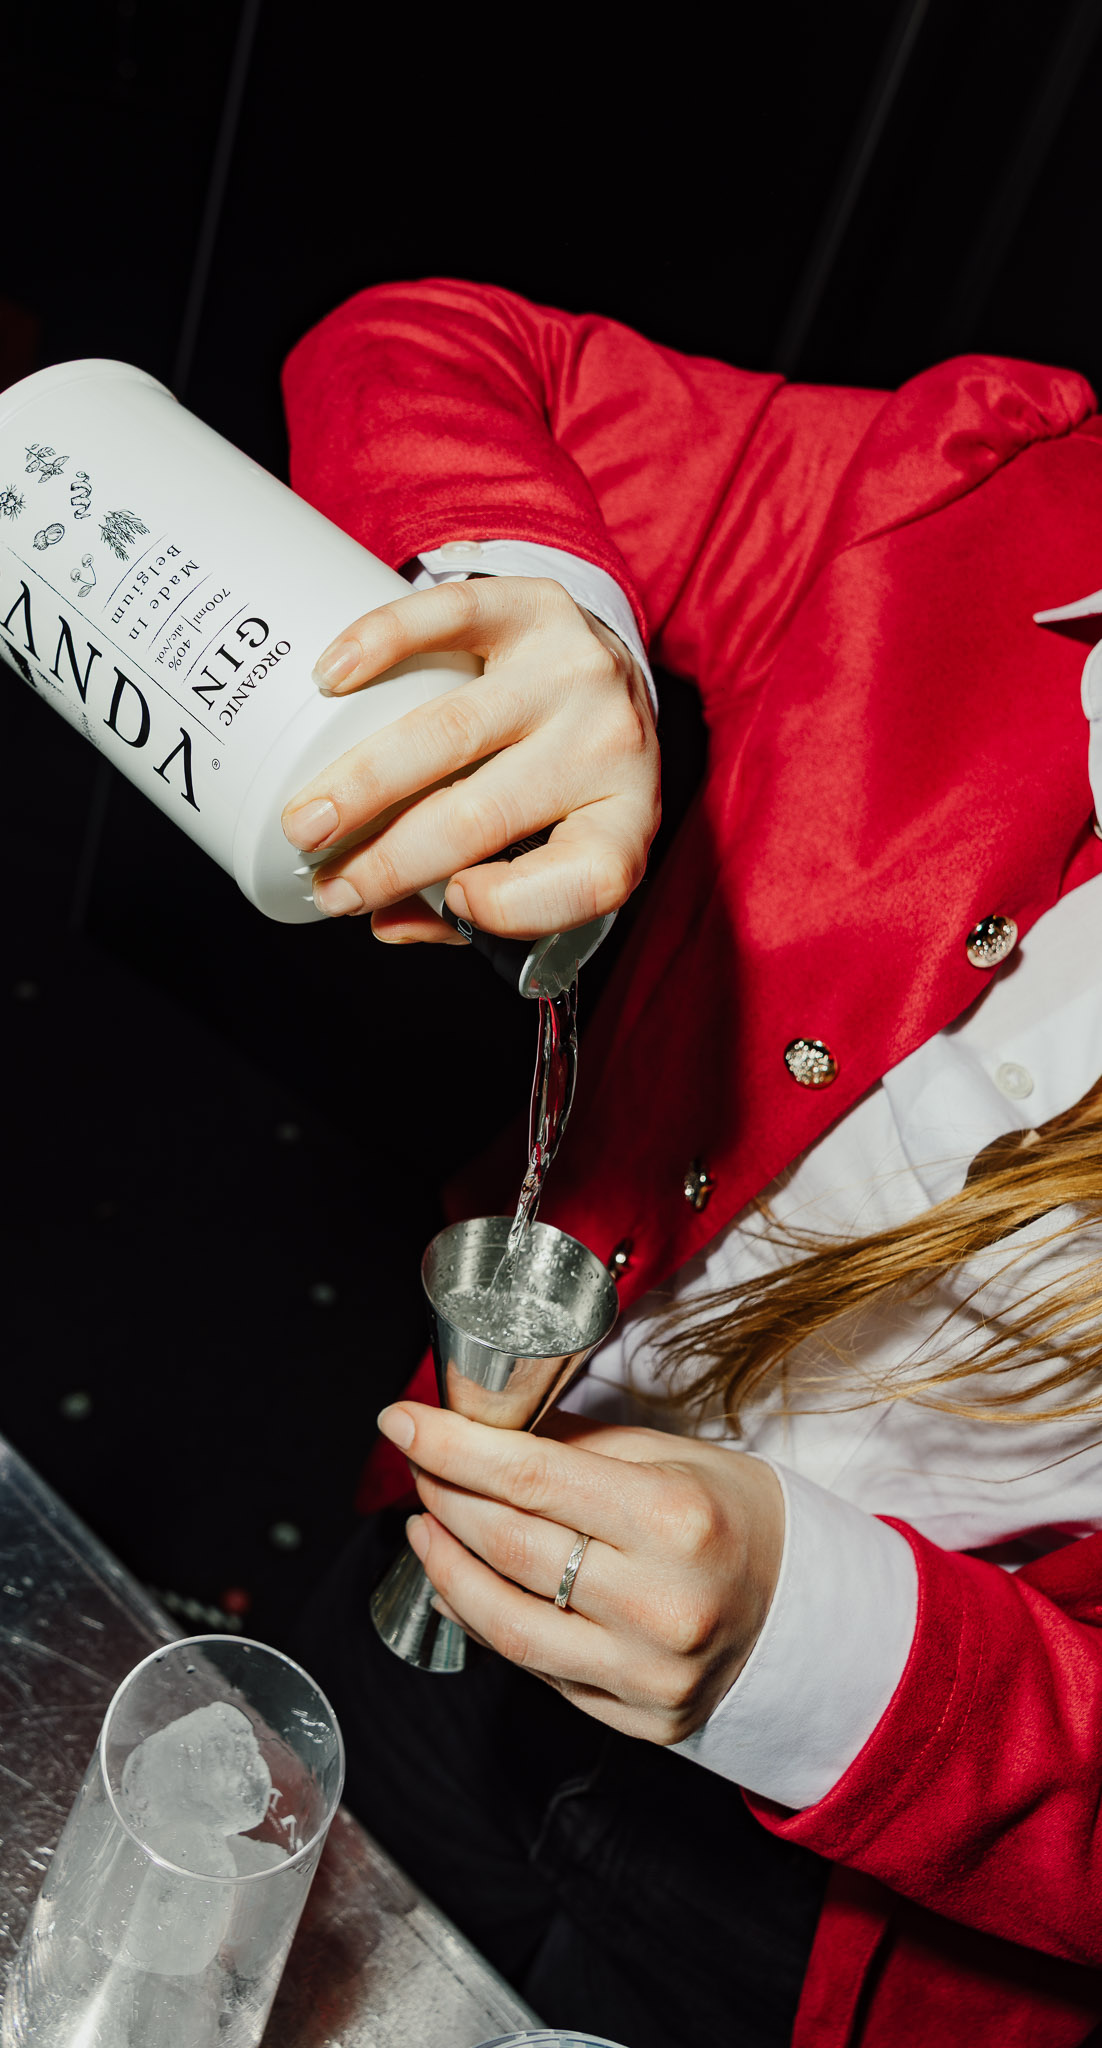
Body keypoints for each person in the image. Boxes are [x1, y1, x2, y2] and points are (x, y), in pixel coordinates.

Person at [276, 278, 1102, 2048]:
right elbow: (430, 350)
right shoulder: (1007, 485)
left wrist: (825, 1655)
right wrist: (538, 619)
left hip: (829, 1939)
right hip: (462, 1523)